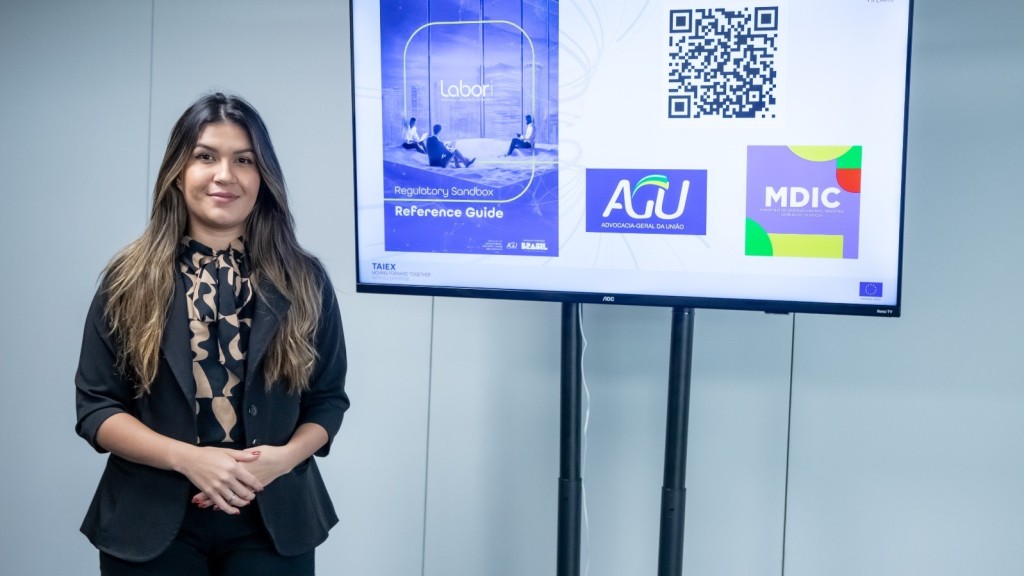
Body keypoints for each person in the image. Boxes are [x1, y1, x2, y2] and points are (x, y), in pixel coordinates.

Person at [75, 92, 349, 576]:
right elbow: (97, 408)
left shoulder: (305, 280)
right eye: (205, 157)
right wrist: (189, 459)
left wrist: (283, 459)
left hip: (273, 519)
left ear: (263, 177)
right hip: (148, 522)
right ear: (178, 171)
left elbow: (327, 400)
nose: (225, 175)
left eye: (244, 160)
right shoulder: (126, 280)